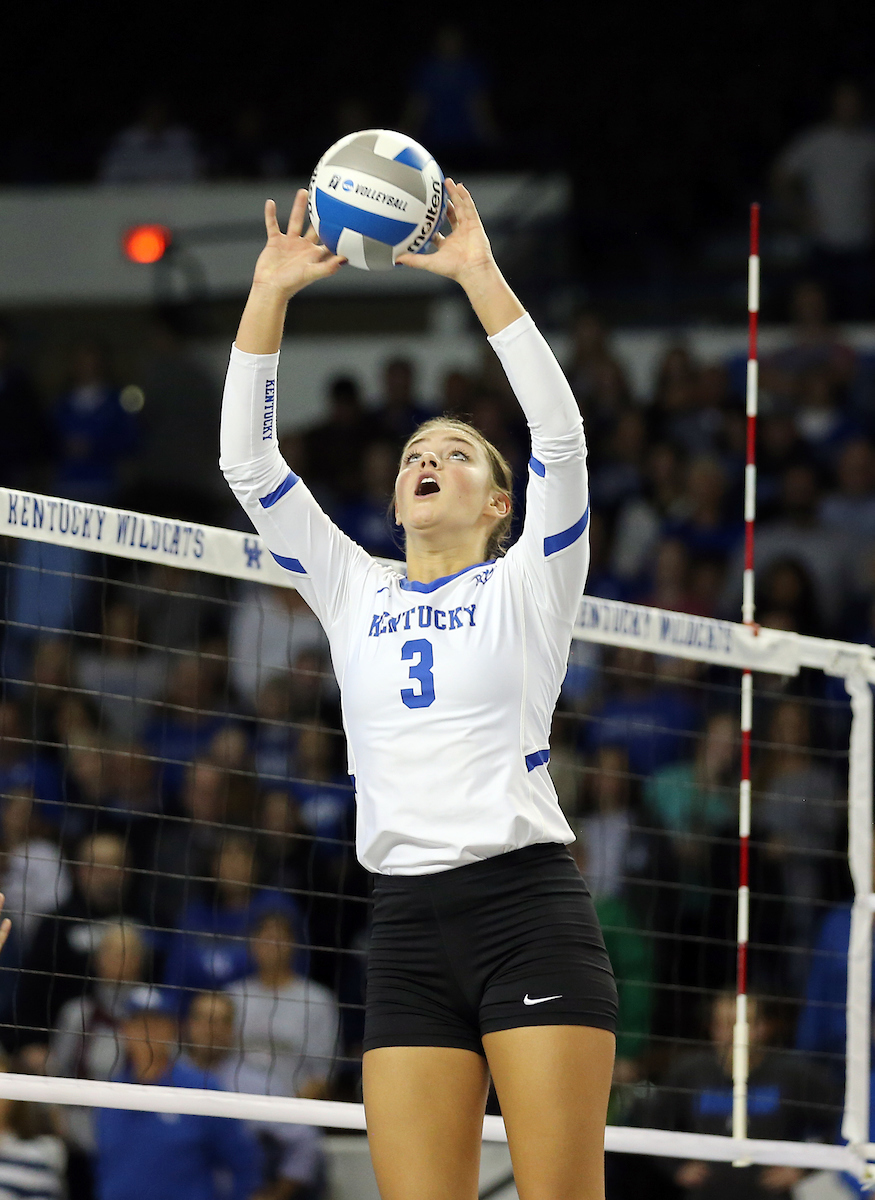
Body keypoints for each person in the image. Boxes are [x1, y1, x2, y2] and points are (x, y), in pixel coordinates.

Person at [220, 183, 617, 1199]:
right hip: (399, 925)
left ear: (498, 503)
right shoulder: (351, 584)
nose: (427, 460)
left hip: (523, 904)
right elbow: (247, 463)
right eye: (412, 456)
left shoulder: (530, 581)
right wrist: (267, 295)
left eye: (455, 454)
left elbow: (562, 439)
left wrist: (479, 275)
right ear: (395, 499)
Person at [95, 986, 261, 1200]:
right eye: (139, 1024)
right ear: (125, 1031)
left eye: (156, 1024)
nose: (147, 1033)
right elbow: (105, 1167)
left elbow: (245, 1164)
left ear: (172, 1030)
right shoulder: (108, 1093)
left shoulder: (202, 1090)